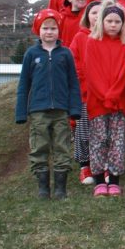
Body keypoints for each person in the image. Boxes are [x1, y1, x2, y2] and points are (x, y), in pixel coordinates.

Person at [15, 10, 81, 199]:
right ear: (38, 29)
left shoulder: (65, 54)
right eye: (45, 28)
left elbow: (73, 83)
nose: (49, 32)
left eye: (53, 28)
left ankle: (60, 189)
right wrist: (21, 112)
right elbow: (24, 84)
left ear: (59, 30)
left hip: (61, 110)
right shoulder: (31, 54)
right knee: (39, 147)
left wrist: (75, 109)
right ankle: (43, 188)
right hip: (38, 111)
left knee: (62, 147)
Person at [84, 2, 125, 196]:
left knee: (117, 141)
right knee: (98, 140)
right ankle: (99, 180)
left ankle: (114, 180)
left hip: (118, 102)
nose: (113, 25)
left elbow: (124, 73)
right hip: (98, 102)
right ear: (102, 22)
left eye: (117, 22)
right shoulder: (92, 42)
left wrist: (113, 95)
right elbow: (92, 72)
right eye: (109, 21)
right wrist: (104, 95)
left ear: (123, 24)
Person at [69, 0, 101, 184]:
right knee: (83, 130)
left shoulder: (108, 37)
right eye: (94, 12)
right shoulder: (80, 37)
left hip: (103, 93)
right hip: (85, 92)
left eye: (100, 12)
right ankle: (85, 166)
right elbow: (74, 61)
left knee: (102, 131)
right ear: (87, 16)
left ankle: (102, 164)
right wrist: (86, 80)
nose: (97, 16)